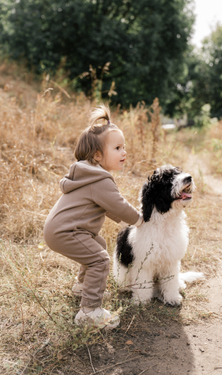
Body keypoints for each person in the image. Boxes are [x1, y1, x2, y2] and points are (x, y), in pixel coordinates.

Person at [43, 105, 142, 329]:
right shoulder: (100, 179)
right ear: (97, 155)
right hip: (66, 232)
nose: (124, 152)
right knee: (99, 258)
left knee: (97, 243)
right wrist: (139, 219)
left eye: (124, 147)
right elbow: (118, 205)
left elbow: (107, 207)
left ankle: (82, 286)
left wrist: (126, 218)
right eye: (117, 148)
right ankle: (89, 311)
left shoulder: (88, 175)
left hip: (59, 229)